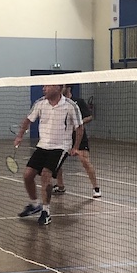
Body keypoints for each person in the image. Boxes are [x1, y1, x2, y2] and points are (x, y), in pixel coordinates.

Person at [15, 84, 83, 226]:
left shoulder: (70, 106)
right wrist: (20, 136)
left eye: (47, 86)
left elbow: (79, 127)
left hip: (61, 147)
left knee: (46, 174)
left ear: (58, 88)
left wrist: (75, 147)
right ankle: (35, 204)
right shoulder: (40, 103)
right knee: (28, 175)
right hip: (43, 145)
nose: (43, 88)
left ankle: (46, 212)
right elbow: (28, 119)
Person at [53, 85, 101, 199]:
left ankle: (96, 188)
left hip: (79, 137)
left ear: (68, 88)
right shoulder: (58, 103)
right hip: (63, 137)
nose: (60, 88)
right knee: (56, 162)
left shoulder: (78, 102)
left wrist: (79, 123)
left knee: (85, 162)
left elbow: (89, 117)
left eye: (63, 86)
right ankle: (60, 186)